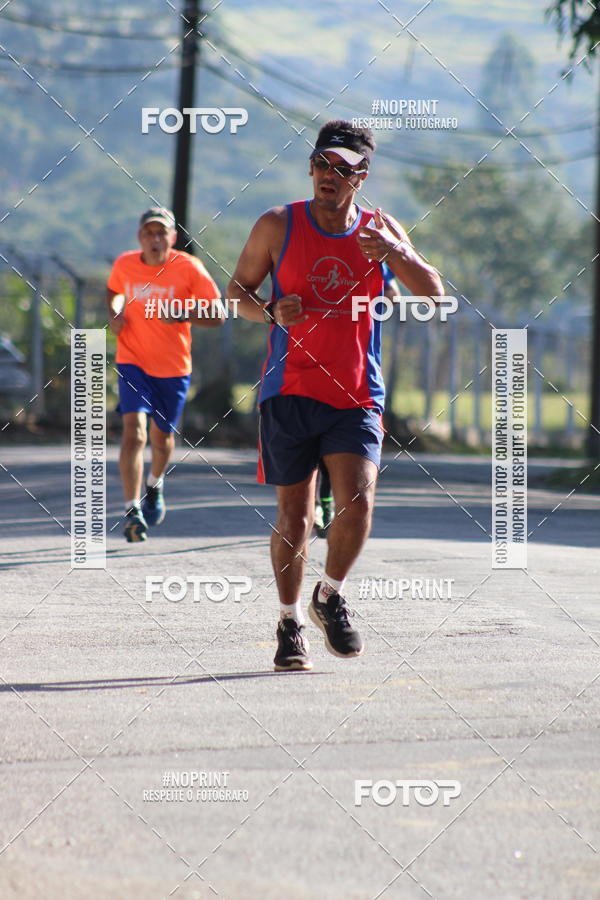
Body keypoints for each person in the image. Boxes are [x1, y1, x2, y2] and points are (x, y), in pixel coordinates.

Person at [227, 120, 443, 671]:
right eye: (323, 163)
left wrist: (396, 250)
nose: (330, 175)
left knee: (359, 502)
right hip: (289, 387)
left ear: (361, 176)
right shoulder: (278, 223)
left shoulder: (381, 230)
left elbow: (432, 293)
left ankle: (330, 595)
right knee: (294, 516)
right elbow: (238, 294)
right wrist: (270, 310)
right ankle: (289, 621)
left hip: (356, 393)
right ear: (311, 166)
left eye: (344, 168)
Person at [107, 207, 222, 542]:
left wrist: (185, 312)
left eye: (162, 233)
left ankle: (154, 485)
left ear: (173, 238)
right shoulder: (125, 264)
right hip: (132, 360)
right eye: (149, 233)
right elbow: (112, 291)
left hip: (173, 368)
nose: (155, 239)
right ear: (140, 236)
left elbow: (218, 314)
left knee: (162, 438)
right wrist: (114, 313)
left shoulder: (189, 268)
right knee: (134, 434)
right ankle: (132, 511)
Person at [312, 266, 399, 540]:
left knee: (336, 451)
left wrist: (370, 300)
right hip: (308, 368)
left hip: (356, 376)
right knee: (313, 450)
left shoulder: (371, 256)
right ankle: (314, 504)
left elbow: (392, 294)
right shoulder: (310, 254)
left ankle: (325, 503)